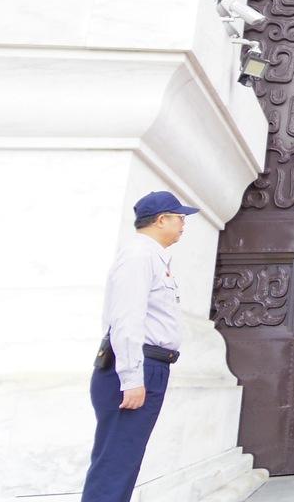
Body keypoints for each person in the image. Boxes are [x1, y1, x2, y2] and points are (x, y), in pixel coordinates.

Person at [80, 191, 200, 502]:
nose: (183, 224)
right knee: (116, 462)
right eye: (180, 218)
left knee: (125, 460)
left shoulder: (152, 257)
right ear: (161, 220)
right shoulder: (139, 256)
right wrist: (132, 378)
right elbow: (126, 320)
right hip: (136, 367)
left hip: (150, 366)